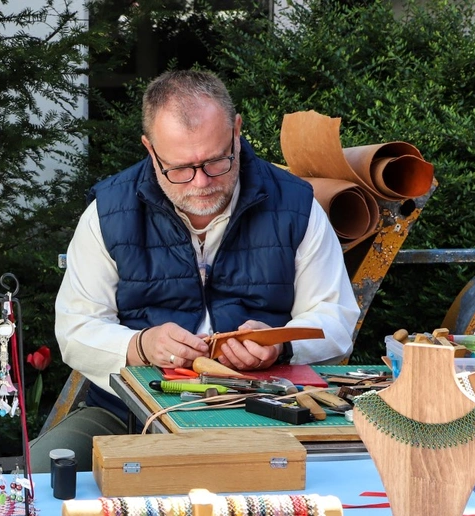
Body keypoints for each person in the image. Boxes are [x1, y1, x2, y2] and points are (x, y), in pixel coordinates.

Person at [37, 70, 360, 469]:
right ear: (150, 149)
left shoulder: (295, 206)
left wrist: (280, 344)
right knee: (37, 478)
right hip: (130, 415)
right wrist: (140, 345)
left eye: (216, 161)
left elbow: (337, 318)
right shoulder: (107, 213)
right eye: (179, 168)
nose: (201, 182)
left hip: (265, 409)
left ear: (237, 131)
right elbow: (75, 330)